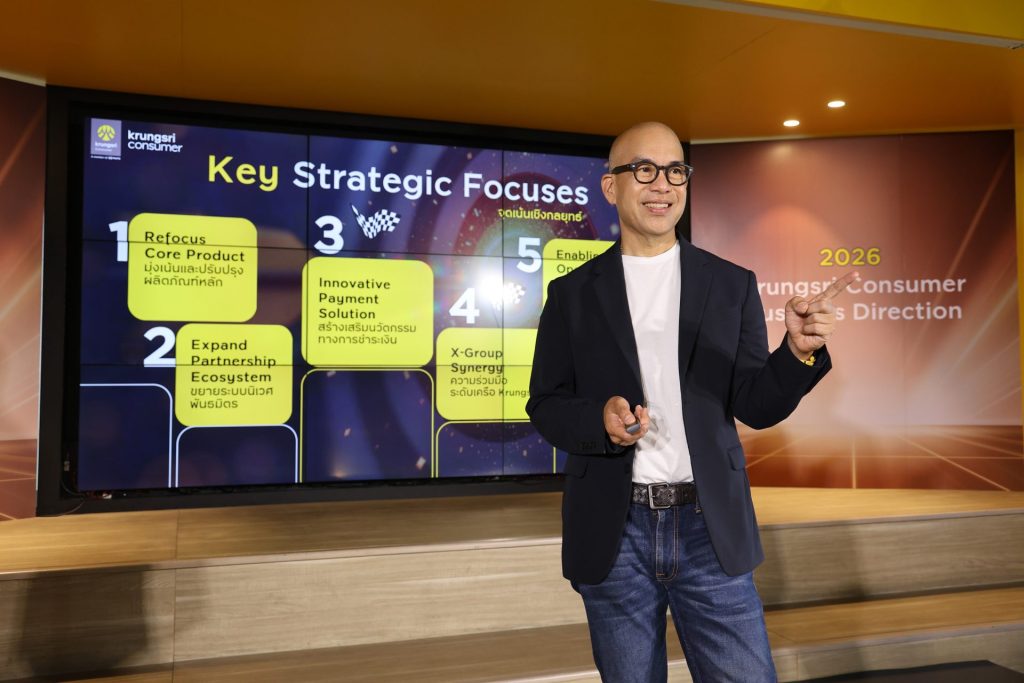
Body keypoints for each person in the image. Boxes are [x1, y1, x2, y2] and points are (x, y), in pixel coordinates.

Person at [526, 121, 857, 682]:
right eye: (644, 170)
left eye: (675, 170)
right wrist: (599, 420)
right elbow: (546, 403)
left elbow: (756, 405)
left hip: (710, 526)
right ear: (610, 186)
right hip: (614, 532)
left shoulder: (730, 284)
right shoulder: (572, 294)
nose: (662, 184)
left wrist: (796, 352)